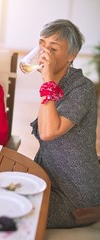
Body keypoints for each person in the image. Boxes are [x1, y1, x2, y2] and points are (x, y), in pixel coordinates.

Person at [29, 19, 100, 228]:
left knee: (17, 212)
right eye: (42, 45)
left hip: (76, 196)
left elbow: (49, 133)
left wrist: (47, 81)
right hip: (51, 179)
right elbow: (44, 129)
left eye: (53, 48)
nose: (44, 53)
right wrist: (48, 82)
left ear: (71, 56)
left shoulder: (83, 89)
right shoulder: (55, 84)